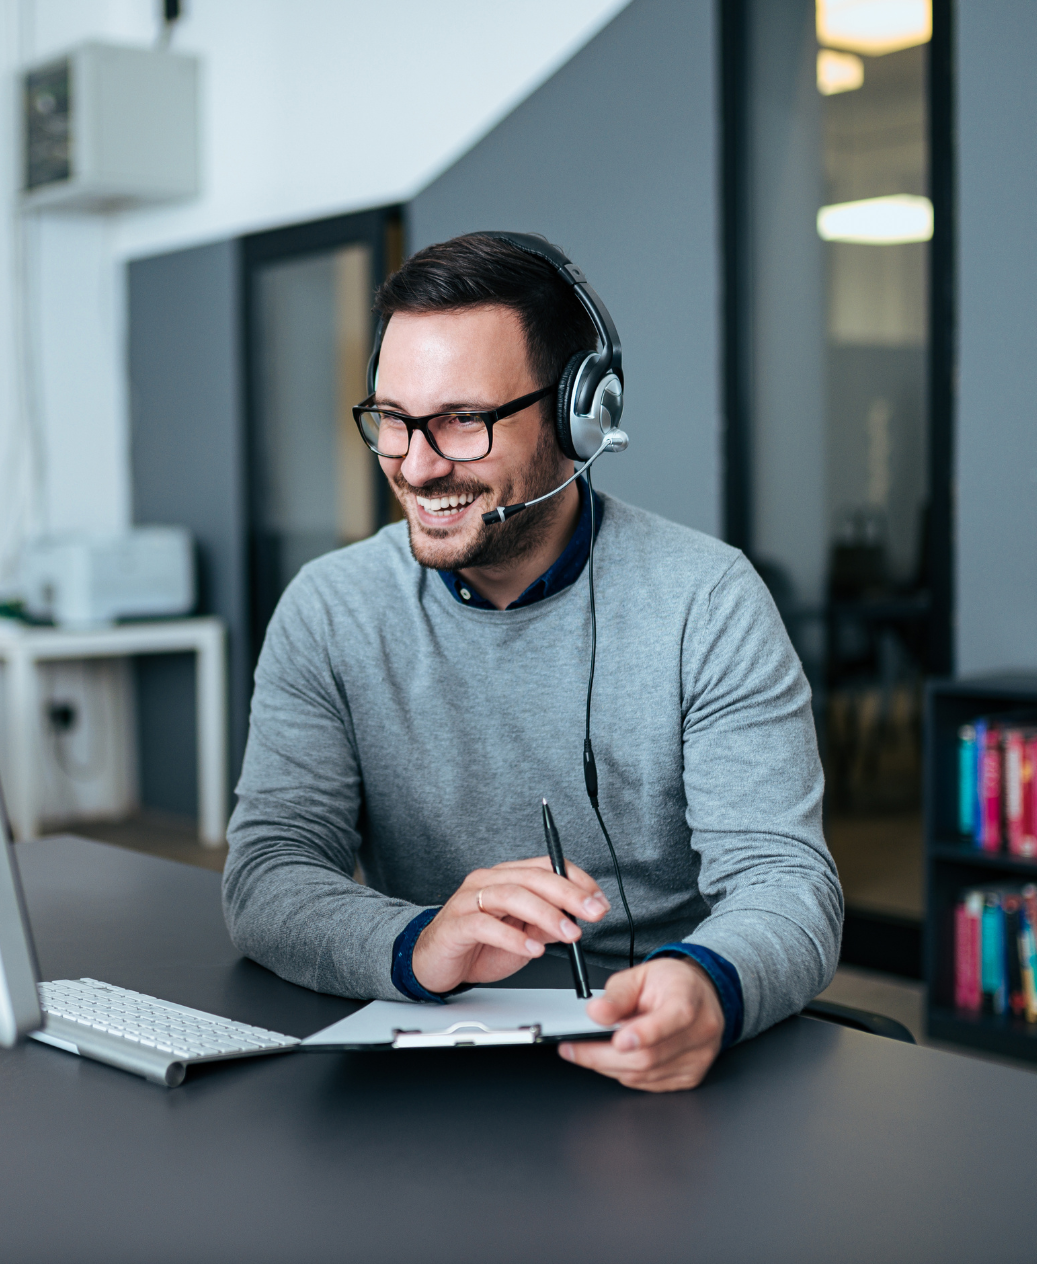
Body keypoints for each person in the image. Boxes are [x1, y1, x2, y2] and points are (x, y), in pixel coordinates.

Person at [223, 233, 842, 1092]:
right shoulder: (330, 608)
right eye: (393, 419)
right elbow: (269, 873)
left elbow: (786, 882)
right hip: (433, 1056)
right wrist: (419, 942)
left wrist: (706, 985)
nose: (417, 462)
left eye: (463, 422)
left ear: (576, 414)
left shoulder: (707, 600)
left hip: (656, 1053)